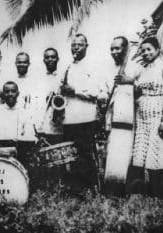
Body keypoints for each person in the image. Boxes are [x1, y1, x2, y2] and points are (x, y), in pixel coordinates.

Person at [126, 37, 163, 199]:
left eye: (149, 49)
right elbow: (135, 86)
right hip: (143, 115)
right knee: (146, 152)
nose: (146, 53)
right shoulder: (143, 69)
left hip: (159, 113)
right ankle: (154, 190)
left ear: (157, 50)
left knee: (160, 150)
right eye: (143, 50)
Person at [60, 33, 107, 192]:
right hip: (69, 118)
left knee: (86, 155)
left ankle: (91, 188)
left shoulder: (94, 66)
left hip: (86, 118)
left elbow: (98, 93)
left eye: (79, 45)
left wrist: (74, 91)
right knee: (72, 156)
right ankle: (76, 189)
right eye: (73, 45)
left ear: (87, 46)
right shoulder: (68, 67)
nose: (76, 48)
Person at [103, 36, 140, 197]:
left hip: (128, 119)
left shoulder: (135, 68)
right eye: (112, 48)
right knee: (112, 154)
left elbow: (145, 89)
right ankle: (110, 189)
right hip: (113, 119)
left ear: (126, 49)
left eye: (118, 48)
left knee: (125, 154)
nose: (114, 52)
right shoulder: (108, 68)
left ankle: (125, 190)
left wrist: (130, 81)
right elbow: (105, 92)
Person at [0, 81, 36, 164]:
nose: (10, 94)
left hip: (17, 155)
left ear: (18, 94)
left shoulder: (24, 113)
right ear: (3, 94)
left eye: (13, 91)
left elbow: (30, 136)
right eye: (7, 92)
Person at [34, 47, 63, 144]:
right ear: (44, 60)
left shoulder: (63, 77)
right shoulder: (37, 79)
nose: (50, 59)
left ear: (58, 59)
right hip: (42, 124)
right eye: (47, 57)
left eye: (53, 57)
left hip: (58, 125)